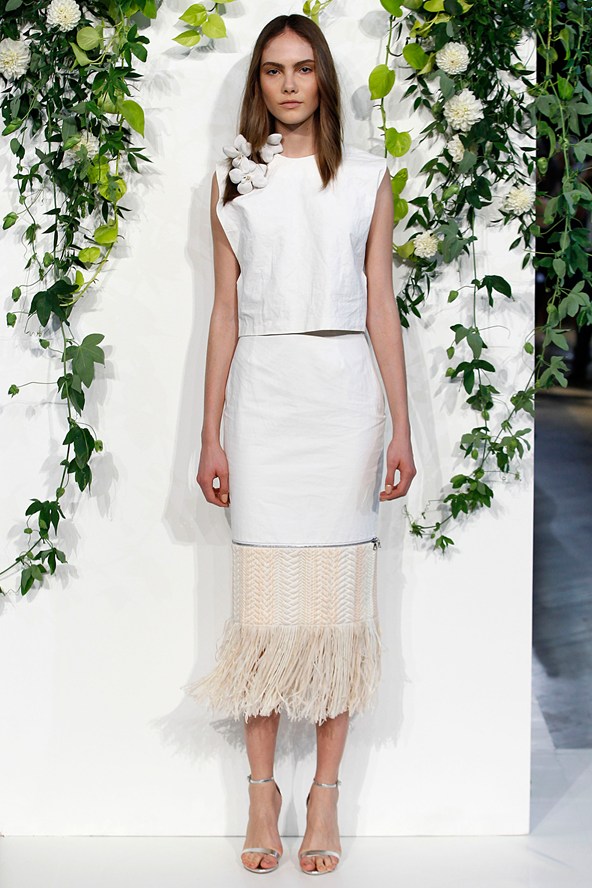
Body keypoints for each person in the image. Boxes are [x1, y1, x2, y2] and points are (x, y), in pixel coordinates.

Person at [183, 13, 416, 876]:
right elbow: (223, 312)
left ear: (324, 80)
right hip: (264, 401)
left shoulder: (366, 176)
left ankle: (323, 798)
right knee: (264, 610)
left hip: (344, 400)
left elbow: (382, 305)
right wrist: (209, 433)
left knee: (335, 611)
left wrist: (401, 426)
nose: (289, 84)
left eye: (304, 68)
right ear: (259, 82)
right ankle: (260, 792)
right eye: (274, 70)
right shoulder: (231, 180)